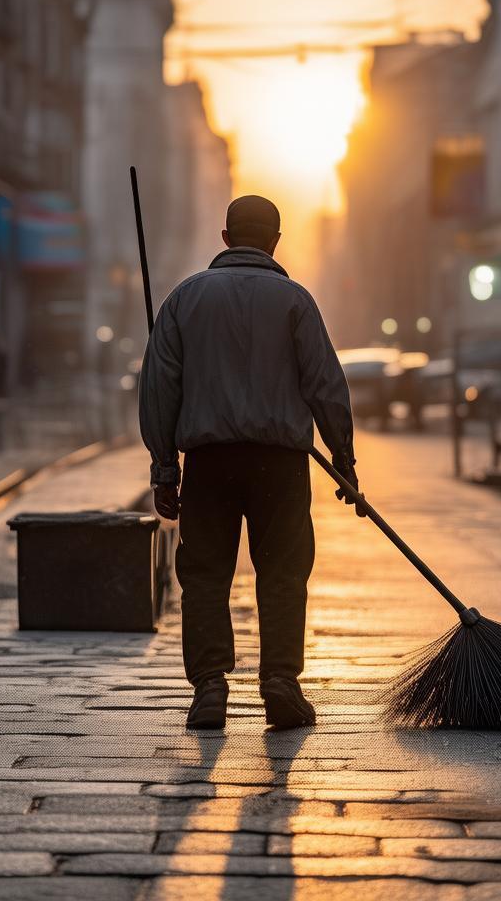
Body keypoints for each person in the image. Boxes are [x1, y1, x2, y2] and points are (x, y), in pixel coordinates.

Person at [139, 194, 362, 731]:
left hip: (209, 465)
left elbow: (159, 390)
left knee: (206, 575)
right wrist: (344, 459)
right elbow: (326, 386)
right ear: (275, 242)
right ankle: (281, 683)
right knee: (284, 573)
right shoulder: (295, 302)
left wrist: (164, 468)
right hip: (279, 465)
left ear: (225, 238)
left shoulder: (183, 301)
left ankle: (210, 689)